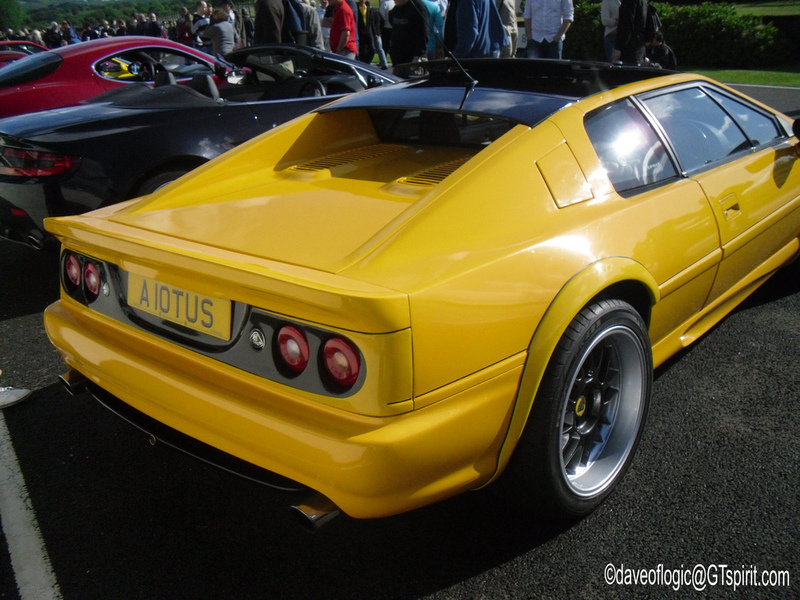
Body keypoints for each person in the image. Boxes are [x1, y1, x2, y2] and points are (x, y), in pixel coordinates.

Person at [388, 0, 427, 65]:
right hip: (397, 56)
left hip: (413, 57)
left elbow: (423, 32)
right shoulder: (396, 9)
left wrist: (420, 54)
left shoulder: (418, 7)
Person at [610, 0, 646, 65]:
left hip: (629, 47)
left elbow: (627, 23)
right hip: (639, 45)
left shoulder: (629, 2)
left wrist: (619, 47)